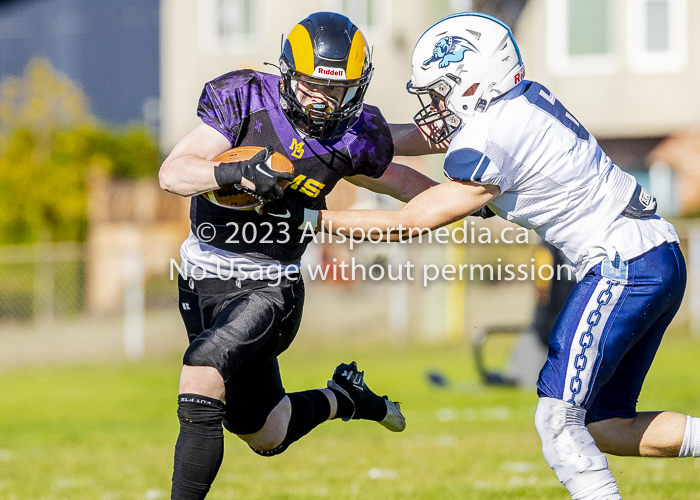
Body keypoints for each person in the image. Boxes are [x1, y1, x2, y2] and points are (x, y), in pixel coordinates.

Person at [311, 13, 700, 500]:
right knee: (604, 425)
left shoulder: (496, 132)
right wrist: (343, 137)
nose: (433, 107)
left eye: (438, 92)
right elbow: (429, 139)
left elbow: (416, 219)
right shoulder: (514, 106)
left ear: (470, 81)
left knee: (557, 419)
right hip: (652, 257)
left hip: (625, 266)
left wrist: (309, 222)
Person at [158, 12, 441, 500]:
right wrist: (235, 172)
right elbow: (174, 172)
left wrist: (476, 198)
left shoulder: (352, 135)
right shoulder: (245, 98)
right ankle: (346, 398)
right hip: (201, 274)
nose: (322, 100)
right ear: (289, 73)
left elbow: (399, 180)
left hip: (271, 285)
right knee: (266, 433)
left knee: (201, 375)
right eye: (312, 85)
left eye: (337, 90)